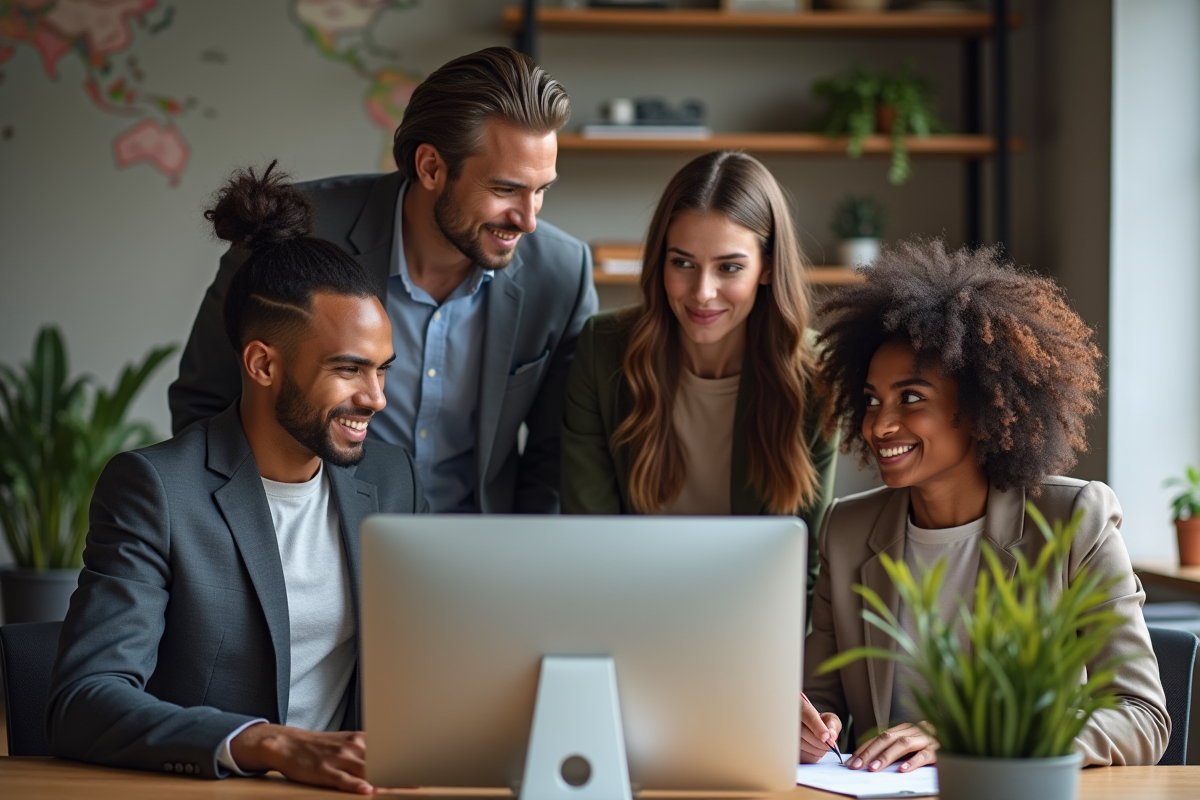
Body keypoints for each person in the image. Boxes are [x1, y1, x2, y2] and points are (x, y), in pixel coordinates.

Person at [47, 164, 427, 794]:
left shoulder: (391, 481)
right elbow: (83, 701)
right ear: (261, 364)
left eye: (382, 370)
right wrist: (271, 745)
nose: (376, 398)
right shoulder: (156, 490)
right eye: (348, 370)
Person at [168, 46, 598, 514]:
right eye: (505, 189)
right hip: (312, 545)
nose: (528, 220)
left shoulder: (561, 273)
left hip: (476, 552)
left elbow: (553, 454)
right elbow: (207, 401)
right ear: (431, 166)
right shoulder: (292, 235)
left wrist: (520, 564)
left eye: (541, 191)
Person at [800, 239, 1170, 770]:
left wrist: (972, 740)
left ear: (977, 408)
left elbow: (1139, 716)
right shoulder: (846, 530)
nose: (880, 425)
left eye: (911, 398)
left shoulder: (1074, 522)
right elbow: (823, 699)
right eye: (873, 400)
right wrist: (813, 728)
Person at [560, 150, 838, 597]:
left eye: (729, 267)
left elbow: (801, 567)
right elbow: (589, 542)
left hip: (752, 620)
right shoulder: (603, 349)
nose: (702, 293)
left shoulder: (814, 374)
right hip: (622, 607)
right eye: (683, 263)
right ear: (660, 261)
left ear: (766, 268)